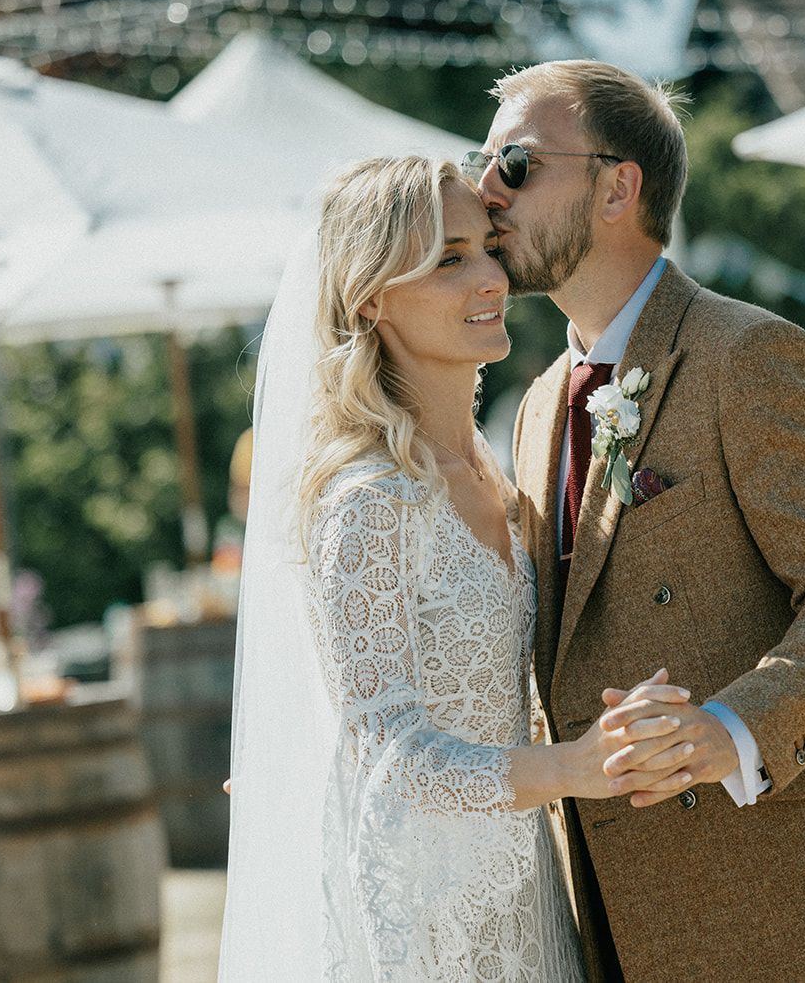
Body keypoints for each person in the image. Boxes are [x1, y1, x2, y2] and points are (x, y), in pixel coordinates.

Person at [468, 60, 805, 983]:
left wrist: (731, 728)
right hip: (618, 909)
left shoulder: (753, 355)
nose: (483, 190)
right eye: (484, 161)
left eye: (518, 163)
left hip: (788, 904)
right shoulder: (539, 406)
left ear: (620, 184)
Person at [218, 156, 695, 981]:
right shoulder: (370, 500)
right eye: (447, 258)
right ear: (370, 296)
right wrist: (576, 767)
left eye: (485, 247)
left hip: (528, 892)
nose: (489, 277)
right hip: (427, 919)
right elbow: (390, 752)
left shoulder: (494, 469)